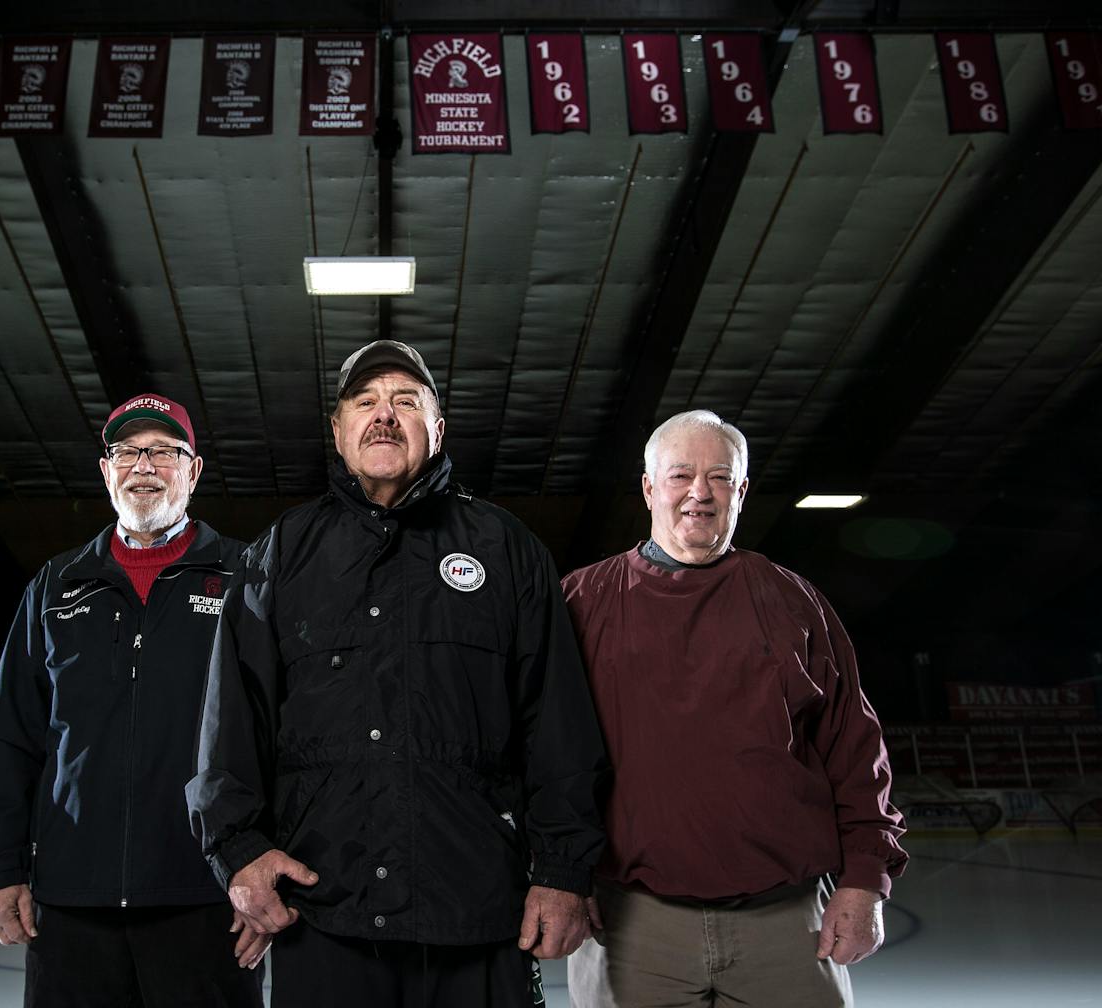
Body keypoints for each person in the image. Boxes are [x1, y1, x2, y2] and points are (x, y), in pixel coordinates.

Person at [187, 340, 606, 1007]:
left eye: (405, 401)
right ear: (339, 430)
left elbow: (556, 727)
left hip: (474, 915)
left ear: (437, 430)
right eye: (365, 402)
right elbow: (230, 726)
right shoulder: (280, 554)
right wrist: (238, 849)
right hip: (324, 917)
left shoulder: (507, 551)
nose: (384, 415)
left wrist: (562, 870)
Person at [561, 409, 907, 1008]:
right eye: (680, 475)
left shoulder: (794, 602)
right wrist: (557, 874)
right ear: (649, 487)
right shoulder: (581, 602)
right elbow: (539, 754)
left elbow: (855, 751)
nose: (700, 492)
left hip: (785, 922)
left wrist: (864, 884)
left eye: (720, 477)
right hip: (631, 926)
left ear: (741, 492)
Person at [0, 393, 265, 1008]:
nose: (144, 466)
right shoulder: (55, 586)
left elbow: (283, 734)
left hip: (209, 897)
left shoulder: (247, 577)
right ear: (106, 470)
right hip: (73, 903)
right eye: (128, 452)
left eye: (163, 451)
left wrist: (259, 866)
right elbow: (10, 738)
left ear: (193, 469)